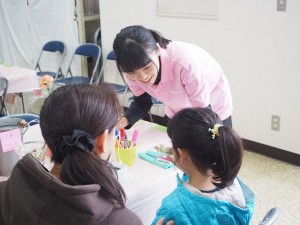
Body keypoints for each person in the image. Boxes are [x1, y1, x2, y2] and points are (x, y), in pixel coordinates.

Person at [0, 83, 143, 225]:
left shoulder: (8, 193)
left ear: (47, 139)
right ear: (102, 141)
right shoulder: (125, 221)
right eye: (114, 132)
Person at [113, 25, 233, 129]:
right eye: (133, 73)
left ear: (158, 49)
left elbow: (203, 112)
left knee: (215, 150)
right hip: (176, 108)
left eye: (147, 68)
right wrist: (121, 123)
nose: (143, 77)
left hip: (210, 107)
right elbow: (142, 102)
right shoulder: (130, 70)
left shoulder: (184, 62)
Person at [151, 107, 255, 225]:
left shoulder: (172, 212)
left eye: (172, 143)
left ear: (182, 154)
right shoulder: (235, 187)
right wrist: (187, 168)